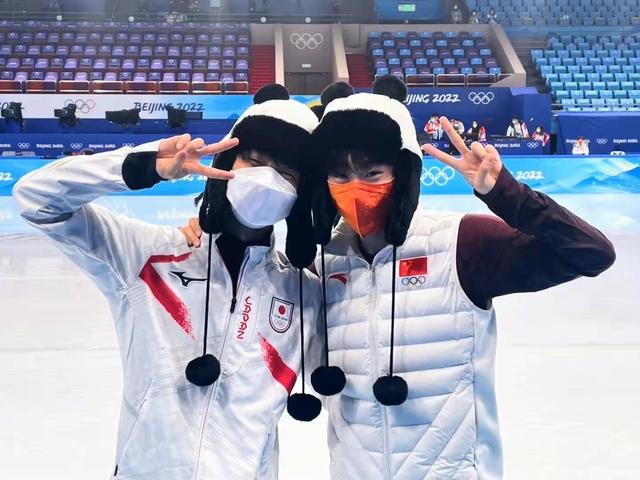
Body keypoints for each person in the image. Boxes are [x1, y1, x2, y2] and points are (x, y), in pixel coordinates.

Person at [182, 76, 616, 479]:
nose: (356, 187)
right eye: (340, 175)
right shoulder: (320, 268)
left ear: (402, 175)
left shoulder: (459, 245)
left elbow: (590, 252)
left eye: (372, 174)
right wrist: (204, 237)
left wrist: (505, 193)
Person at [13, 86, 324, 479]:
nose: (266, 179)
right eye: (255, 161)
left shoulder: (304, 292)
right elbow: (35, 199)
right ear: (226, 163)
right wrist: (145, 165)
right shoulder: (147, 255)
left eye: (286, 173)